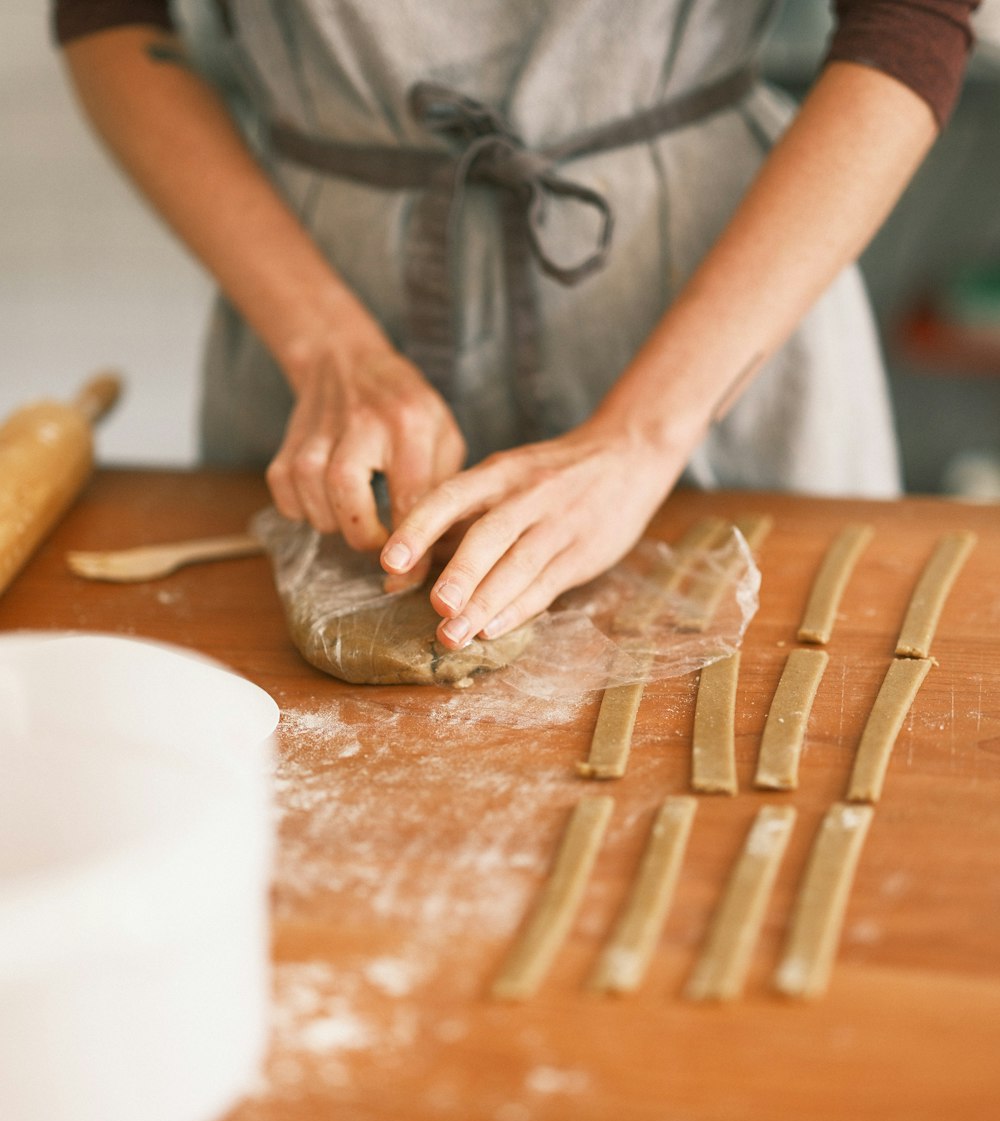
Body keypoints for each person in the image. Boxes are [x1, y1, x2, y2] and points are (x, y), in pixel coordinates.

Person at [54, 1, 978, 651]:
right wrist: (327, 344)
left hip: (719, 304)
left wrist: (645, 432)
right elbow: (107, 15)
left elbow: (911, 21)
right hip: (315, 287)